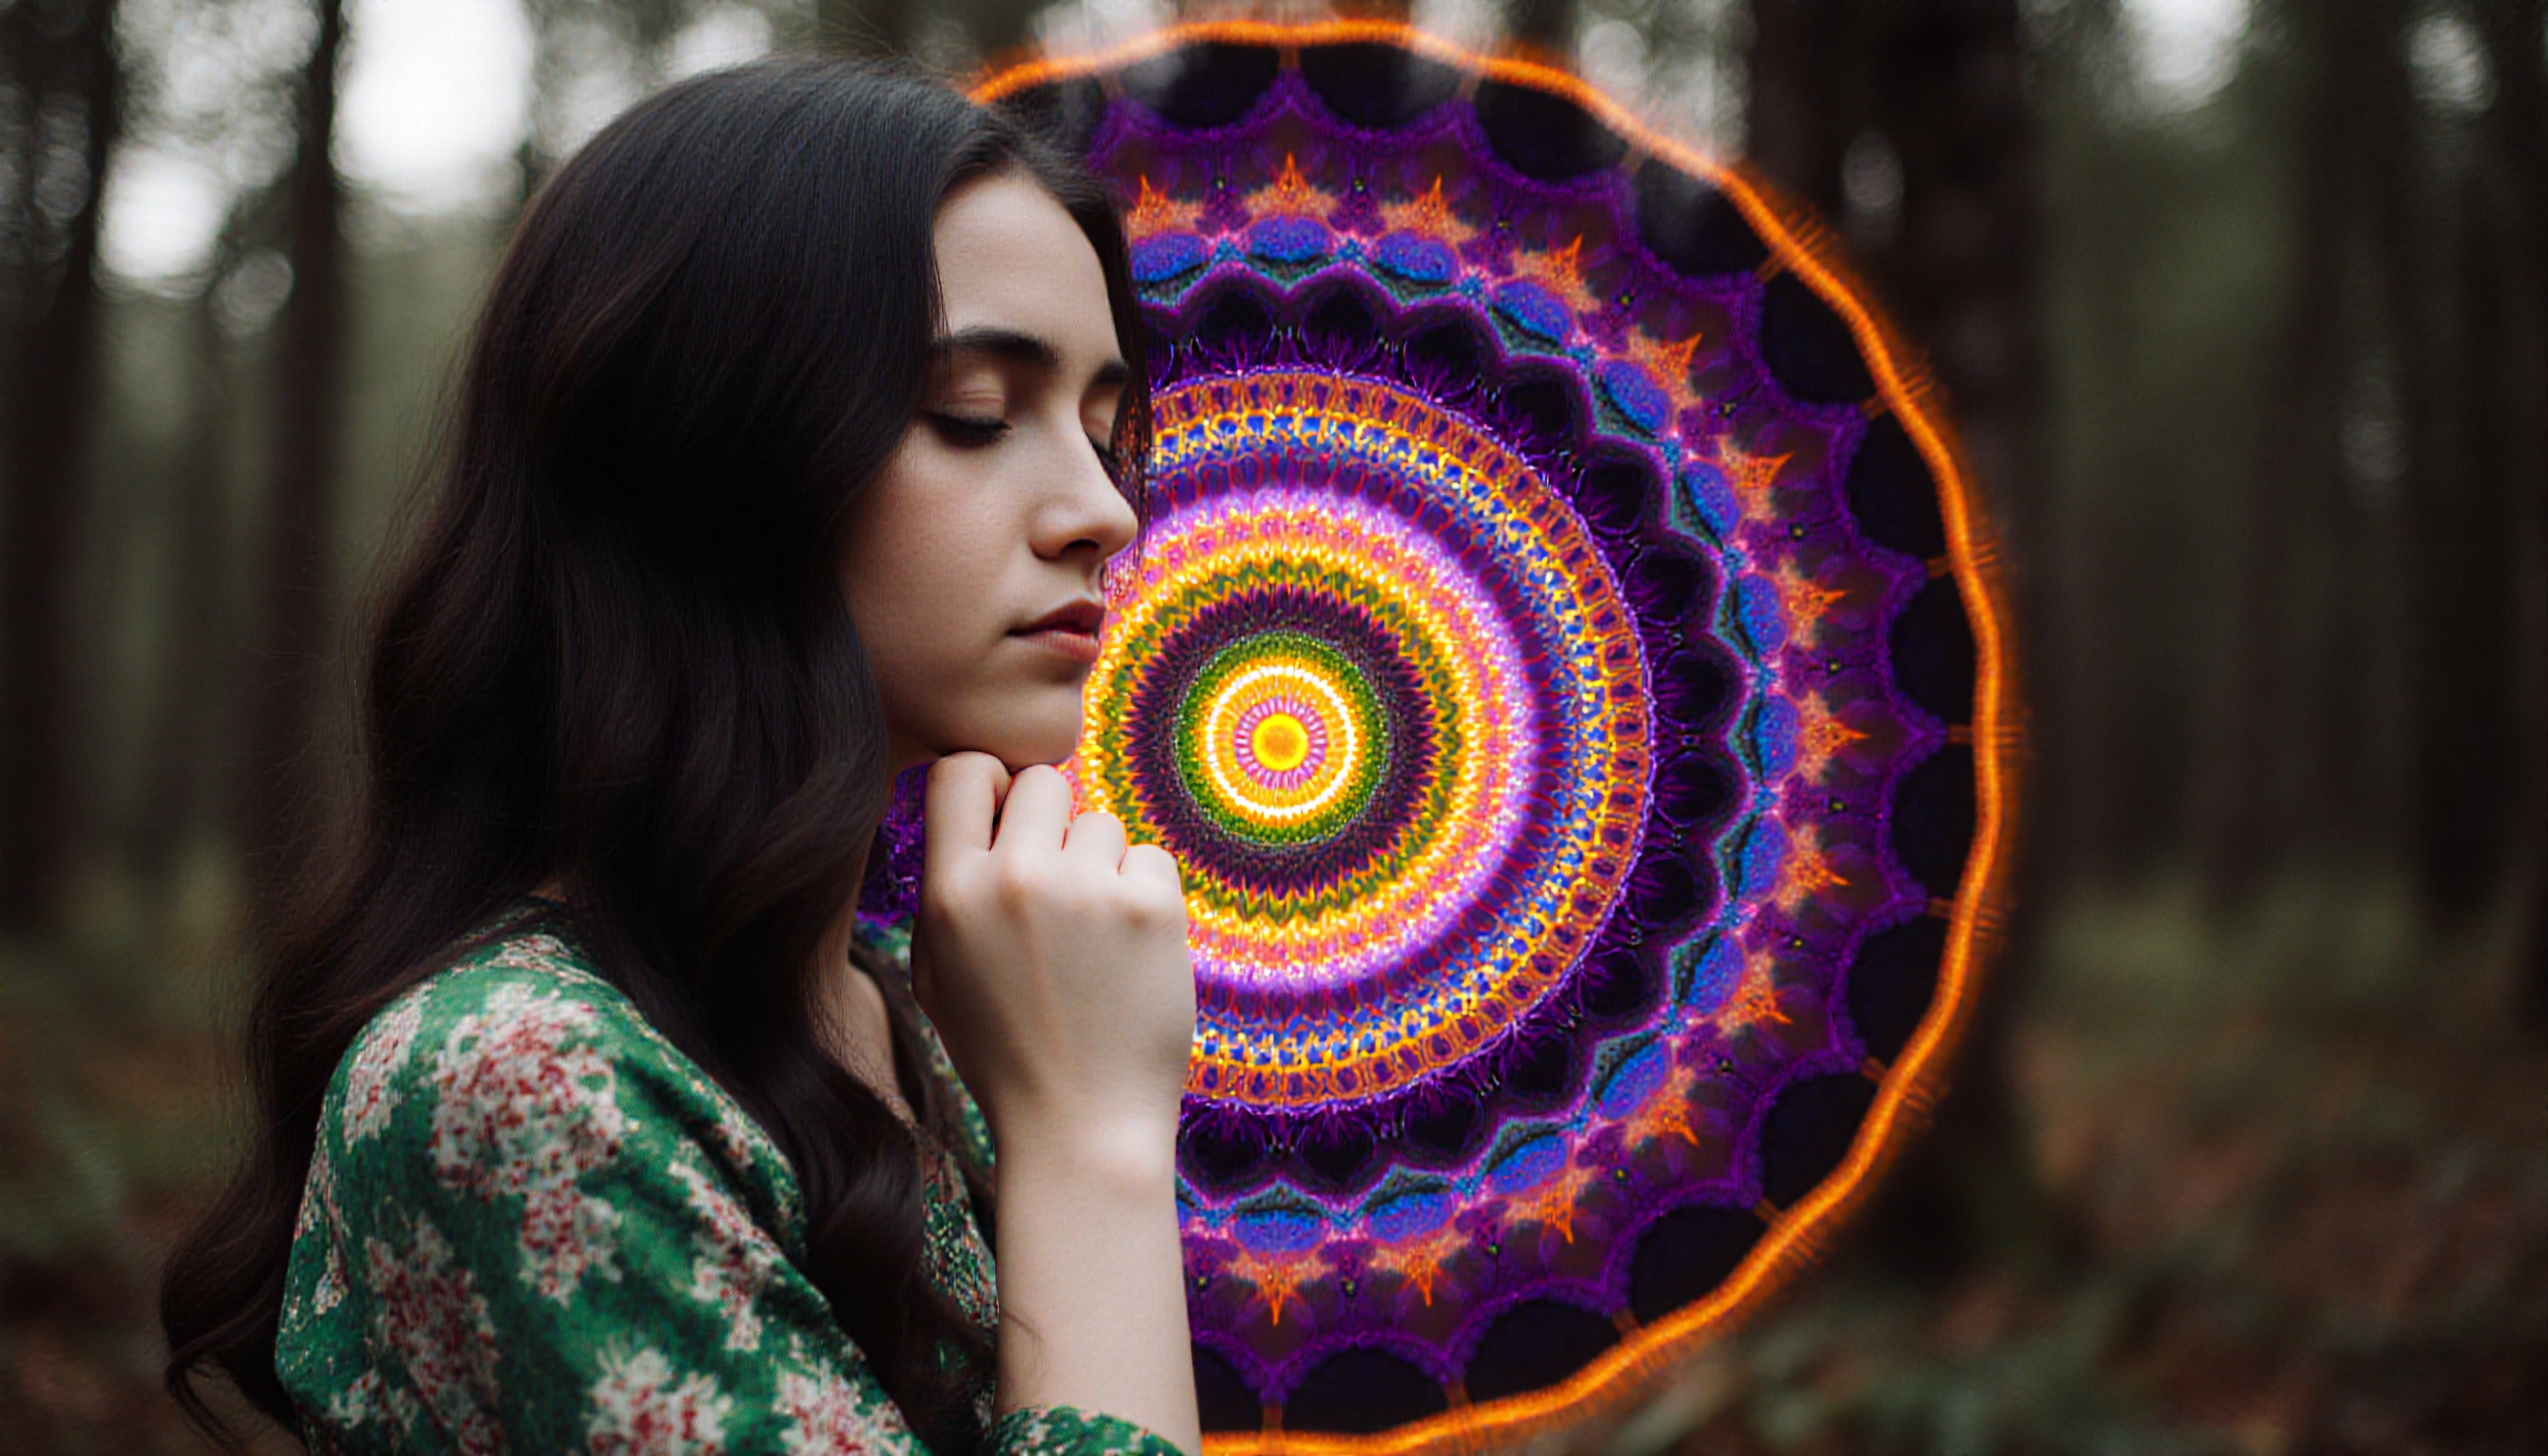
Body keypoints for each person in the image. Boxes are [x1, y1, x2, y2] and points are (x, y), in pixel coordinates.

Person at [158, 57, 1202, 1456]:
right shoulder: (524, 1078)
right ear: (707, 453)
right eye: (973, 411)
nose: (1105, 512)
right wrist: (1093, 1148)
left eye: (1104, 431)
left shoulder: (903, 1008)